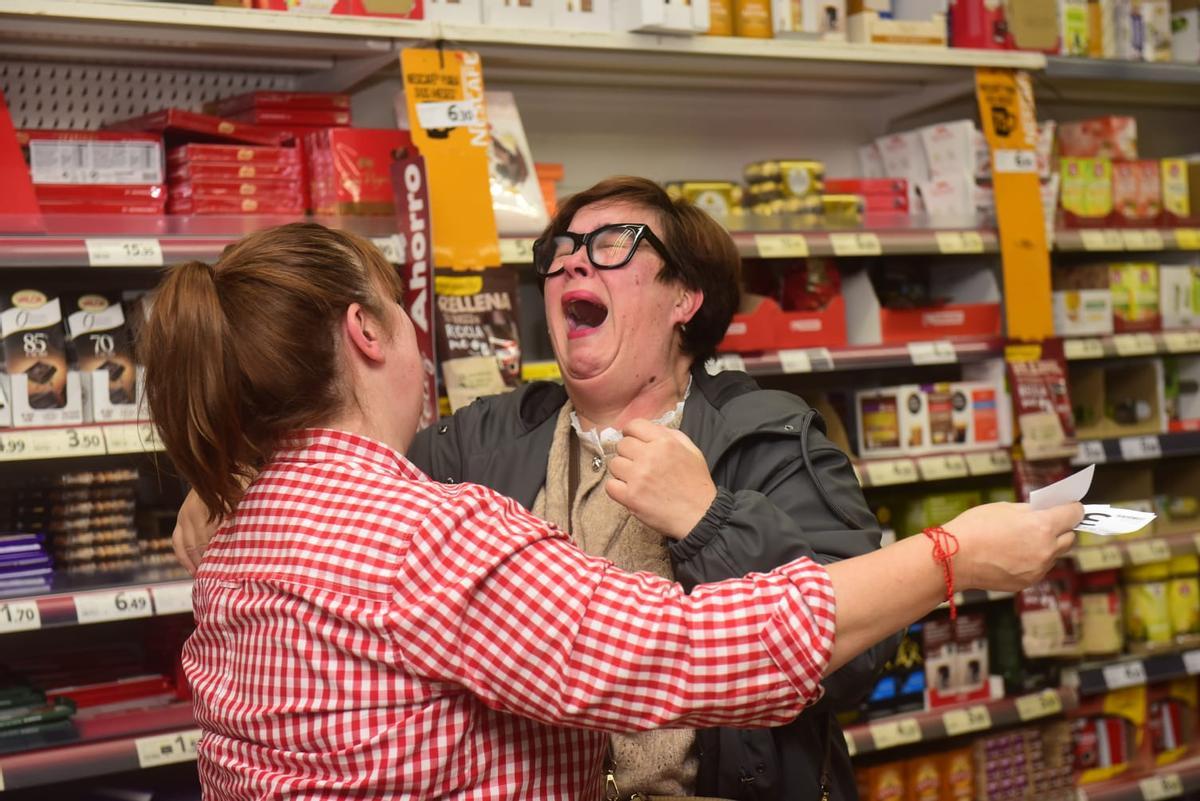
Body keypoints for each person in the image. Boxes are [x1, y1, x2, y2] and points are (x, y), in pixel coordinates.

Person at [150, 222, 1082, 801]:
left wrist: (713, 514)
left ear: (687, 300)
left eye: (613, 248)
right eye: (558, 252)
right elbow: (681, 651)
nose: (572, 265)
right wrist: (957, 553)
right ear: (363, 332)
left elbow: (862, 661)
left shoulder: (248, 530)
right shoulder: (461, 473)